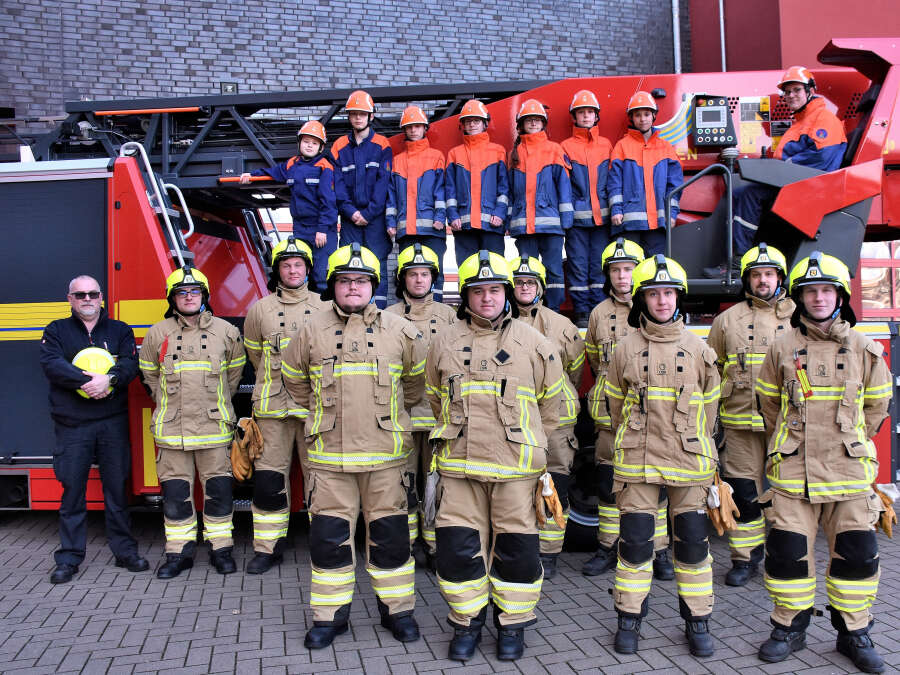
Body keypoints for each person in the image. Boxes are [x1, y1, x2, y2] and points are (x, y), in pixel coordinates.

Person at [282, 243, 426, 649]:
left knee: (391, 540)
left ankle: (398, 612)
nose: (352, 288)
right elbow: (293, 378)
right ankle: (329, 618)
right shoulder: (311, 330)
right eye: (344, 281)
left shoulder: (400, 330)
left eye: (361, 281)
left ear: (373, 286)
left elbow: (415, 385)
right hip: (329, 459)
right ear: (333, 285)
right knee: (328, 542)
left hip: (387, 459)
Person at [755, 252, 891, 673]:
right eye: (810, 291)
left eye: (826, 290)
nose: (818, 298)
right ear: (800, 297)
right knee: (787, 556)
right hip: (793, 473)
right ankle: (788, 628)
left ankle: (855, 634)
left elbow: (876, 409)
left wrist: (847, 443)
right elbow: (769, 405)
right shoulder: (781, 348)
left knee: (857, 557)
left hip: (848, 473)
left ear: (840, 296)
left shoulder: (865, 349)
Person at [426, 250, 564, 662]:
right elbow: (434, 397)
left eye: (494, 290)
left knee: (517, 551)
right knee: (458, 550)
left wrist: (529, 445)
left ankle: (513, 625)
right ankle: (466, 623)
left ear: (506, 293)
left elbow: (550, 406)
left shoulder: (535, 343)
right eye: (478, 290)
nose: (487, 298)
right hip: (460, 468)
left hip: (515, 470)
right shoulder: (444, 342)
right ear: (465, 297)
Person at [604, 254, 720, 657]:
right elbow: (615, 407)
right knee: (635, 546)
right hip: (637, 463)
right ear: (642, 299)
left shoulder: (700, 350)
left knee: (693, 547)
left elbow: (710, 412)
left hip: (690, 462)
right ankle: (629, 619)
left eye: (669, 293)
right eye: (653, 294)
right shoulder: (625, 350)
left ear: (678, 297)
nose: (662, 301)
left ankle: (698, 621)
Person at [139, 266, 246, 579]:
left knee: (219, 491)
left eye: (194, 291)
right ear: (172, 299)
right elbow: (149, 376)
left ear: (204, 295)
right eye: (181, 292)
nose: (188, 297)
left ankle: (221, 549)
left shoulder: (226, 332)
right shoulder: (158, 333)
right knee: (175, 495)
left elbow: (234, 376)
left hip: (214, 429)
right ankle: (179, 553)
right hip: (172, 432)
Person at [39, 275, 146, 584]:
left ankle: (124, 551)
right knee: (72, 491)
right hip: (72, 424)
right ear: (70, 299)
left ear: (101, 297)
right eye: (80, 294)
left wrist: (109, 380)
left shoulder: (120, 330)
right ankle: (69, 558)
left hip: (112, 422)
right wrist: (90, 383)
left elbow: (130, 364)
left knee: (117, 489)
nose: (87, 298)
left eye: (92, 293)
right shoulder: (56, 330)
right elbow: (52, 364)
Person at [582, 238, 673, 581]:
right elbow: (596, 361)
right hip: (610, 416)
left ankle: (659, 550)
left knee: (655, 484)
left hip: (651, 416)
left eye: (628, 269)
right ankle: (607, 547)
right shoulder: (598, 314)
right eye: (616, 270)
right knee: (608, 484)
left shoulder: (654, 306)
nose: (622, 276)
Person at [706, 243, 794, 586]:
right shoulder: (726, 321)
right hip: (739, 424)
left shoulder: (798, 318)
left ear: (779, 278)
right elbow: (712, 372)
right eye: (756, 274)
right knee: (744, 494)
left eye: (769, 274)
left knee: (788, 496)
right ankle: (744, 560)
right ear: (747, 279)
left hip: (787, 426)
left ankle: (785, 559)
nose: (763, 280)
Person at [242, 237, 329, 574]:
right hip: (272, 409)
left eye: (298, 265)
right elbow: (254, 354)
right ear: (277, 270)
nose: (293, 270)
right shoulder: (259, 310)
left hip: (314, 409)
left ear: (308, 269)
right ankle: (268, 548)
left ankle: (324, 544)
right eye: (286, 265)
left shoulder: (324, 306)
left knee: (320, 480)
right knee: (269, 481)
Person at [711, 67, 848, 274]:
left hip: (811, 188)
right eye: (787, 91)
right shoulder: (800, 122)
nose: (791, 95)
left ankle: (740, 259)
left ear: (810, 90)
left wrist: (782, 167)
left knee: (749, 195)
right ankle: (737, 257)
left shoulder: (824, 119)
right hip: (794, 184)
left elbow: (823, 159)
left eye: (796, 90)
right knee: (738, 193)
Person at [509, 256, 584, 580]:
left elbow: (575, 370)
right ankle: (522, 548)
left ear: (540, 287)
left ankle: (550, 553)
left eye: (530, 282)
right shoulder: (500, 322)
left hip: (557, 419)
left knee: (554, 486)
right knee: (515, 488)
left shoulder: (561, 325)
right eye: (519, 282)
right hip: (514, 419)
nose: (525, 288)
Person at [385, 243, 456, 569]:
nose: (418, 280)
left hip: (438, 418)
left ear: (432, 278)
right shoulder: (388, 317)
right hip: (400, 417)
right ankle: (408, 543)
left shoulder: (449, 316)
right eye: (412, 274)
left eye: (424, 274)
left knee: (435, 483)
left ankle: (435, 545)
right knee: (403, 483)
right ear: (402, 279)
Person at [239, 121, 337, 291]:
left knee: (320, 276)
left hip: (321, 230)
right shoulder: (292, 164)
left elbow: (328, 202)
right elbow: (273, 172)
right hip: (300, 228)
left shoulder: (324, 167)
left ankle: (323, 307)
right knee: (301, 273)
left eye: (314, 143)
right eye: (306, 141)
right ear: (299, 143)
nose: (309, 145)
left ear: (321, 148)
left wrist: (322, 229)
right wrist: (252, 175)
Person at [508, 98, 573, 311]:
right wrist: (509, 220)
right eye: (529, 120)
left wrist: (567, 220)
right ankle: (529, 310)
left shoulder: (554, 150)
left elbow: (564, 187)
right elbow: (509, 191)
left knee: (553, 270)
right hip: (523, 226)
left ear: (543, 123)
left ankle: (552, 310)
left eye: (537, 119)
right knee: (527, 271)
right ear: (521, 124)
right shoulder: (515, 154)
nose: (534, 123)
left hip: (551, 225)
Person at [330, 90, 393, 307]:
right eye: (354, 114)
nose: (358, 117)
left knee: (377, 263)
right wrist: (351, 212)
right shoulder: (339, 146)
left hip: (375, 219)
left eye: (362, 114)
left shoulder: (382, 144)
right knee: (349, 263)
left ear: (371, 116)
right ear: (349, 116)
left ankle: (379, 312)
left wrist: (368, 213)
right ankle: (349, 310)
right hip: (350, 219)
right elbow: (337, 185)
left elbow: (383, 183)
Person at [560, 90, 614, 327]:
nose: (585, 116)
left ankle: (598, 309)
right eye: (581, 112)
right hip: (576, 222)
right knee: (578, 266)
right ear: (574, 117)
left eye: (589, 112)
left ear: (596, 116)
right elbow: (563, 184)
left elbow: (612, 181)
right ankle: (582, 311)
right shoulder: (565, 146)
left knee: (599, 266)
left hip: (603, 220)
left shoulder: (606, 145)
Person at [607, 91, 683, 258]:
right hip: (628, 223)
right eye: (638, 115)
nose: (642, 119)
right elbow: (614, 183)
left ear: (654, 115)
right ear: (632, 118)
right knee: (630, 267)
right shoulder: (621, 147)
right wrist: (616, 210)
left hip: (658, 224)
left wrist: (672, 213)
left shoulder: (666, 148)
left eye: (647, 114)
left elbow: (675, 185)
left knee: (654, 267)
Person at [387, 105, 447, 300]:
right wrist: (390, 222)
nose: (413, 130)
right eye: (409, 127)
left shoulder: (436, 156)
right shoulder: (397, 161)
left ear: (424, 128)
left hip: (432, 230)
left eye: (417, 126)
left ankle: (437, 311)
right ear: (404, 130)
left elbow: (441, 190)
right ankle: (407, 311)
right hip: (406, 230)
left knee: (435, 273)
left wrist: (440, 217)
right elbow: (391, 196)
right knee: (407, 274)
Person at [445, 99, 510, 262]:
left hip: (492, 225)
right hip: (463, 225)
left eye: (476, 120)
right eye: (468, 121)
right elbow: (450, 190)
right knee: (468, 271)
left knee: (495, 270)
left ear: (484, 123)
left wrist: (500, 213)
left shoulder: (498, 151)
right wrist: (452, 216)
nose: (472, 124)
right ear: (463, 125)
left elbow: (504, 188)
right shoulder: (454, 154)